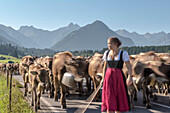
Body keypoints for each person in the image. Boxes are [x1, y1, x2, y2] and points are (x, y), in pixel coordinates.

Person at [101, 37, 133, 113]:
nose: (108, 45)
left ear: (116, 44)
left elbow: (129, 66)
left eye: (110, 43)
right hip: (108, 79)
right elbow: (105, 67)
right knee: (109, 98)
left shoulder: (123, 53)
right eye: (108, 43)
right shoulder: (106, 53)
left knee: (119, 99)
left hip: (119, 79)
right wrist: (103, 78)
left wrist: (130, 77)